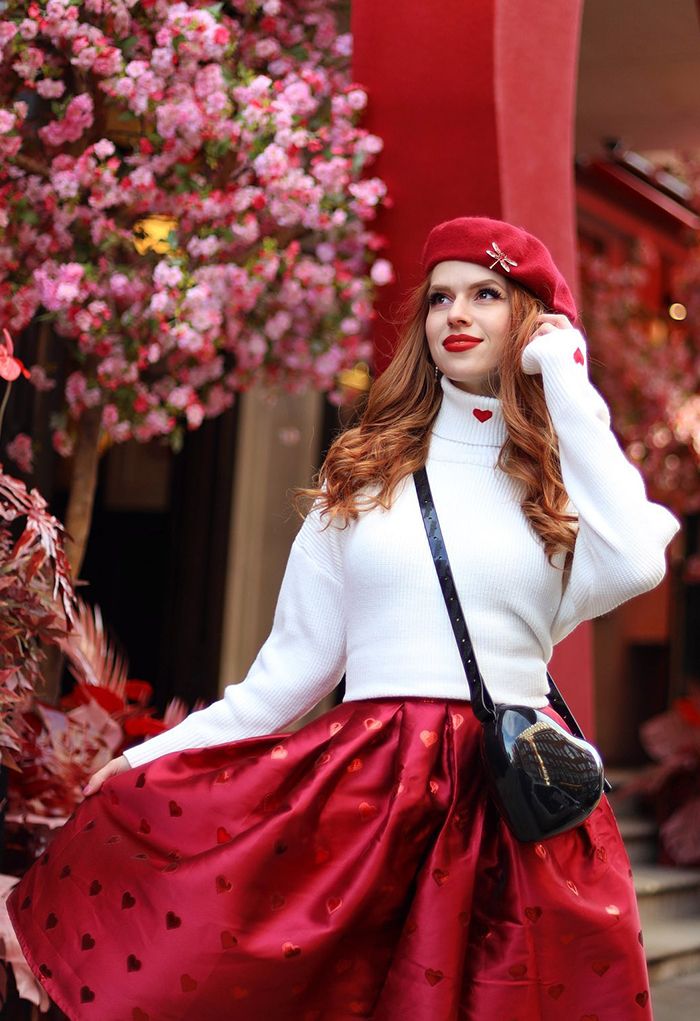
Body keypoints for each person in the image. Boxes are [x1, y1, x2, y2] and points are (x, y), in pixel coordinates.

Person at [9, 216, 678, 1021]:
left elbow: (640, 559)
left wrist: (565, 380)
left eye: (487, 294)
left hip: (515, 804)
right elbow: (283, 678)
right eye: (439, 298)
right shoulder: (362, 477)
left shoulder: (561, 490)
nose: (455, 314)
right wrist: (157, 756)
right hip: (373, 798)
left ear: (533, 322)